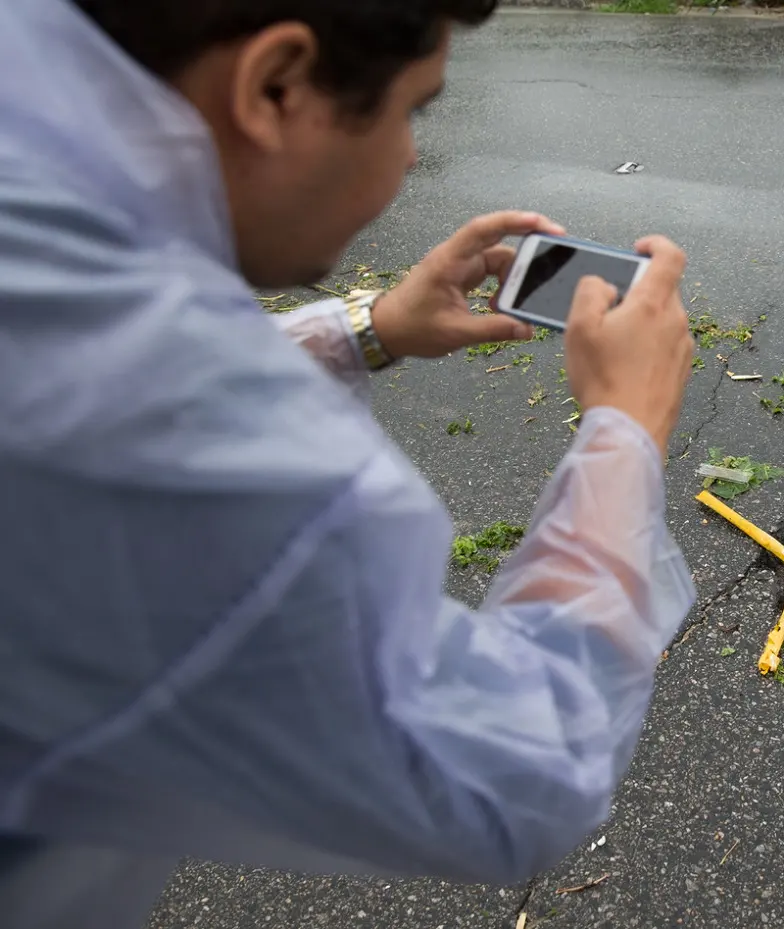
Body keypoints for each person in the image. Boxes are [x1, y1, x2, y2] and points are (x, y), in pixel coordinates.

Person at [0, 1, 698, 927]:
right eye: (414, 108)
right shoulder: (214, 450)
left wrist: (367, 328)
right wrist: (625, 426)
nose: (411, 156)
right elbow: (523, 768)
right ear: (274, 83)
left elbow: (83, 377)